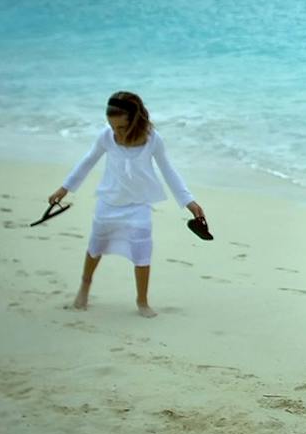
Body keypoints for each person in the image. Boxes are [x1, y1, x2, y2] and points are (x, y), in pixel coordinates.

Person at [48, 91, 207, 318]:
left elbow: (168, 171)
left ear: (135, 121)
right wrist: (64, 188)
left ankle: (142, 301)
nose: (116, 132)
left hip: (138, 205)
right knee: (95, 247)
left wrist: (188, 201)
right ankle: (84, 287)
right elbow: (87, 162)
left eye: (121, 128)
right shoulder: (106, 137)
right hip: (108, 202)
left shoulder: (152, 139)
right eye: (112, 127)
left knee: (142, 251)